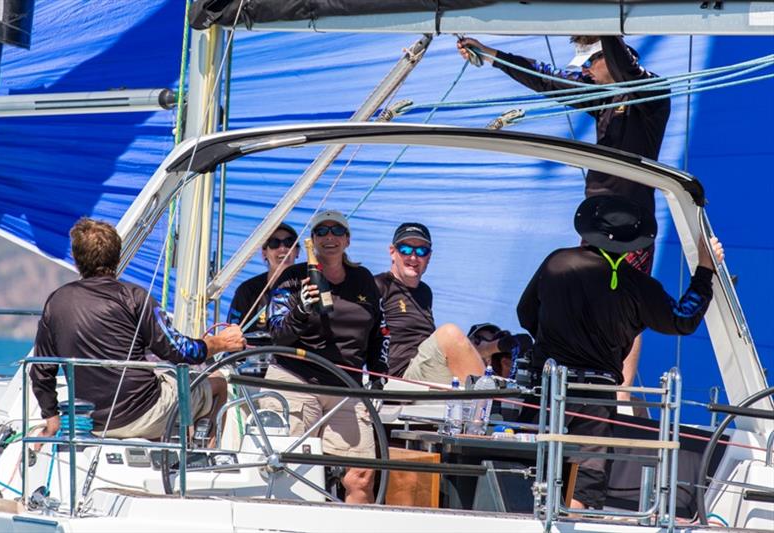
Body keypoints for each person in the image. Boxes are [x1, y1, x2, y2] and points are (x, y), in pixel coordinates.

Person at [458, 35, 672, 397]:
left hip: (631, 228)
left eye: (589, 63)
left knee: (627, 306)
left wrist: (605, 23)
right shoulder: (602, 97)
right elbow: (546, 79)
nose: (585, 72)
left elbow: (625, 65)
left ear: (611, 58)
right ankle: (579, 384)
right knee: (589, 302)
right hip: (595, 224)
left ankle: (620, 393)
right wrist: (493, 56)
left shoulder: (651, 94)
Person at [516, 195, 724, 510]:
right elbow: (684, 318)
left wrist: (556, 338)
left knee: (524, 474)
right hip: (596, 400)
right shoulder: (640, 287)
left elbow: (526, 314)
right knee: (581, 487)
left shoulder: (557, 262)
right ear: (634, 245)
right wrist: (704, 270)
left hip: (547, 388)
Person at [30, 218, 246, 443]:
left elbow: (41, 370)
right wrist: (221, 342)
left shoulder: (56, 302)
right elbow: (181, 352)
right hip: (143, 414)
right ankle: (204, 459)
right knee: (218, 382)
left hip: (90, 421)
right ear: (118, 256)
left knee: (161, 382)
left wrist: (52, 422)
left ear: (76, 259)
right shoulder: (134, 298)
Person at [264, 210, 389, 504]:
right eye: (322, 231)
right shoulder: (293, 278)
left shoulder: (364, 279)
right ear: (313, 240)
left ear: (347, 240)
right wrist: (301, 310)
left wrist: (379, 378)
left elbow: (379, 333)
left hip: (346, 385)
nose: (329, 237)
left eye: (336, 231)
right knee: (291, 472)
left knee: (362, 476)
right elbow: (276, 333)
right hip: (297, 380)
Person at [374, 222, 511, 384]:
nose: (413, 257)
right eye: (405, 249)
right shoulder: (379, 285)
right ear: (392, 252)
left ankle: (490, 399)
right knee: (449, 333)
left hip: (426, 372)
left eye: (421, 251)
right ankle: (486, 402)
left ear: (429, 257)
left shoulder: (425, 292)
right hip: (398, 377)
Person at [227, 222, 300, 334]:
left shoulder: (309, 287)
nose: (282, 249)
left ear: (297, 251)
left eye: (289, 242)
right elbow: (231, 336)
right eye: (274, 243)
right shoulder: (247, 291)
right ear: (264, 253)